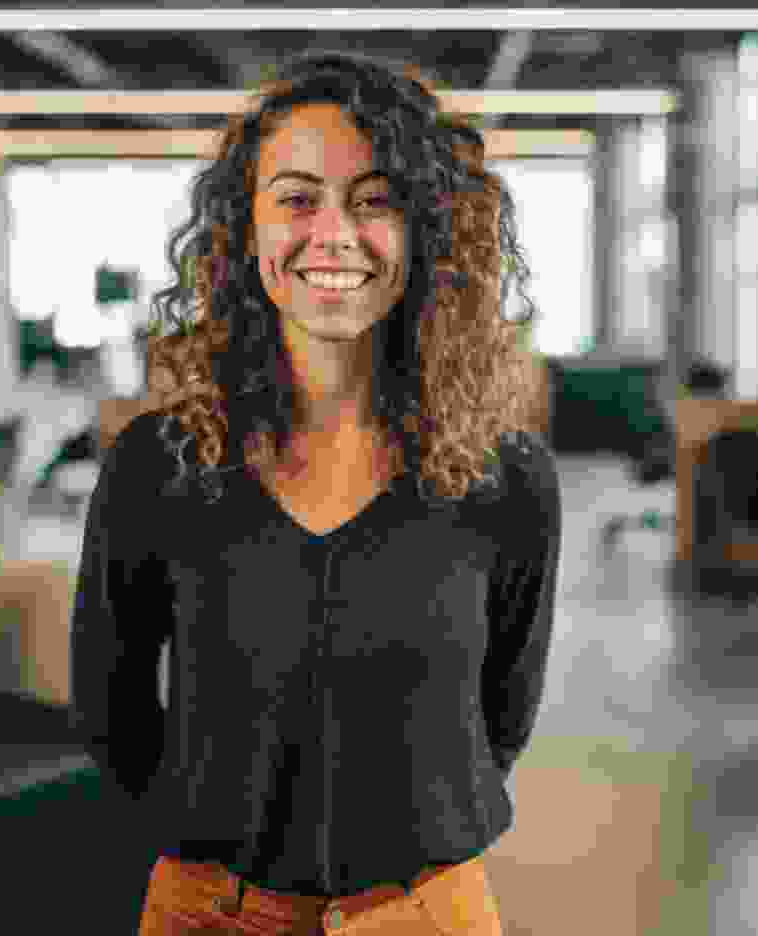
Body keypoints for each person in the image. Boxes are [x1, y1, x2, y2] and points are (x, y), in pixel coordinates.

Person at [69, 50, 561, 936]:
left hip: (426, 913)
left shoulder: (506, 477)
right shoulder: (158, 464)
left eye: (375, 200)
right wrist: (217, 852)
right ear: (245, 231)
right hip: (211, 912)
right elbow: (115, 712)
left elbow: (502, 716)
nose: (333, 234)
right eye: (298, 199)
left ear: (425, 229)